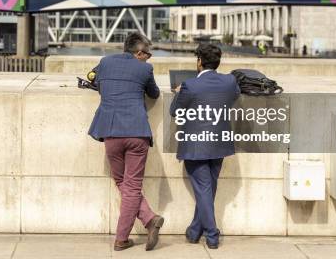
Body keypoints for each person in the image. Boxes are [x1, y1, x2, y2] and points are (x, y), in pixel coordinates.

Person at [88, 32, 164, 251]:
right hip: (137, 131)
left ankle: (149, 221)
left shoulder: (104, 62)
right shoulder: (145, 69)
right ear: (139, 52)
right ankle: (127, 235)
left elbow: (98, 84)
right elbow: (155, 94)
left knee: (123, 182)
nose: (148, 59)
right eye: (147, 55)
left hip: (111, 132)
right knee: (131, 186)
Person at [169, 43, 240, 249]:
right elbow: (234, 95)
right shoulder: (229, 81)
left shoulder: (190, 85)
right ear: (218, 62)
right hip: (219, 143)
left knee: (204, 188)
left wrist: (179, 91)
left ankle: (212, 234)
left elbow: (175, 111)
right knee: (208, 189)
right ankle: (194, 231)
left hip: (196, 146)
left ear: (199, 61)